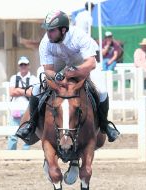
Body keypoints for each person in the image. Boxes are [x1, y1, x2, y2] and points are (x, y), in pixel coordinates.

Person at [16, 10, 120, 143]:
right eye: (47, 30)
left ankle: (105, 124)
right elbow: (48, 70)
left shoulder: (79, 36)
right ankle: (31, 124)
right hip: (59, 64)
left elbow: (91, 63)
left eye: (52, 30)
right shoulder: (45, 42)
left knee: (102, 90)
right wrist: (57, 76)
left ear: (63, 30)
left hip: (81, 63)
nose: (48, 33)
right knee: (37, 88)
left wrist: (74, 72)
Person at [7, 56, 38, 150]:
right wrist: (25, 91)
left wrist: (18, 90)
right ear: (19, 66)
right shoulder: (14, 78)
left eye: (25, 64)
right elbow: (11, 92)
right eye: (21, 65)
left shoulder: (33, 78)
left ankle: (26, 152)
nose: (23, 66)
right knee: (12, 134)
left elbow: (33, 93)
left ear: (28, 66)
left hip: (27, 110)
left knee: (27, 133)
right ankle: (11, 153)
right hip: (15, 110)